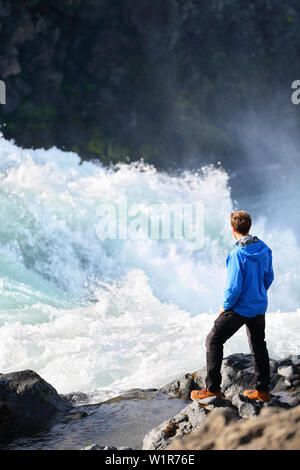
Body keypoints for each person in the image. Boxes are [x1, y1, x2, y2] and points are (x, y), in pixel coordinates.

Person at [191, 210, 274, 402]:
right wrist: (257, 293)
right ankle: (262, 391)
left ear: (233, 228)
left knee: (213, 340)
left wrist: (225, 307)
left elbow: (233, 287)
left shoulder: (237, 254)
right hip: (259, 306)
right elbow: (269, 277)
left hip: (239, 308)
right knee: (258, 345)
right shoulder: (263, 247)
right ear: (248, 226)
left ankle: (212, 389)